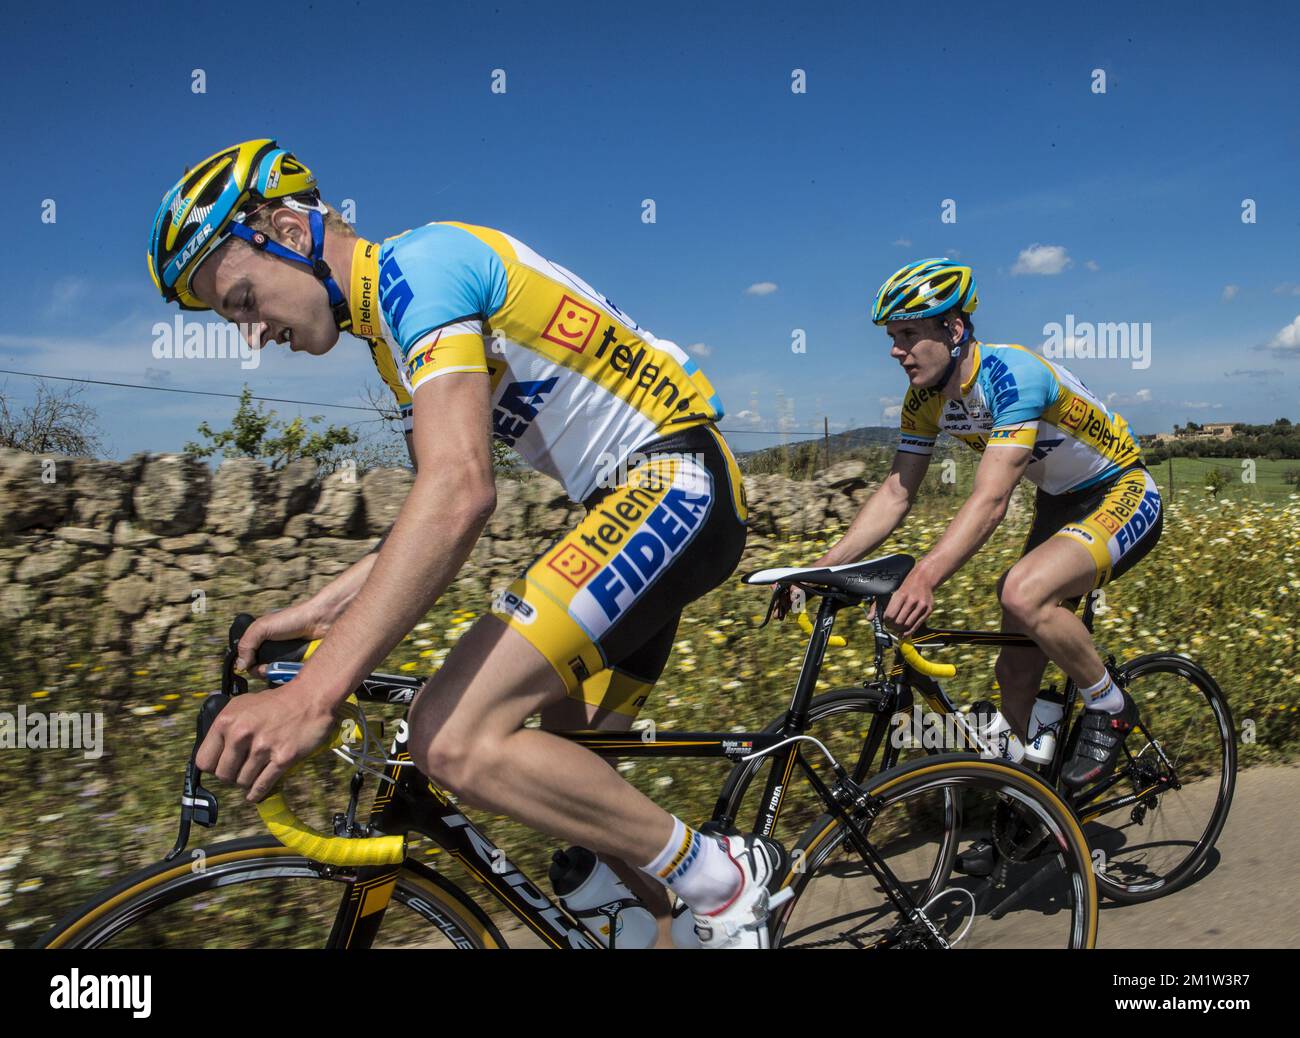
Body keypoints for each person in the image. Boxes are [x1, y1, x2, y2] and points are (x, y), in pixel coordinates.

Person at [148, 139, 784, 947]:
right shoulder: (392, 329)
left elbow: (460, 493)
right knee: (575, 772)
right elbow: (430, 509)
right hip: (642, 503)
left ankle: (726, 880)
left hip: (670, 486)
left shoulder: (422, 268)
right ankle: (672, 927)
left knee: (449, 735)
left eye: (240, 298)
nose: (248, 332)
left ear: (287, 228)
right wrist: (317, 612)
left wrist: (312, 696)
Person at [787, 258, 1161, 789]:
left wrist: (925, 576)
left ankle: (1109, 703)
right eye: (893, 337)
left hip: (1121, 488)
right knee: (1013, 673)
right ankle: (1032, 808)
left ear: (954, 329)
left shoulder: (1013, 375)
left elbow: (990, 499)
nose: (897, 350)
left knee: (1021, 593)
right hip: (1060, 504)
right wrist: (821, 566)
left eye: (910, 334)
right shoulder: (923, 401)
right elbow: (896, 492)